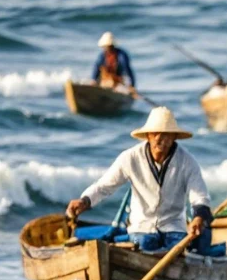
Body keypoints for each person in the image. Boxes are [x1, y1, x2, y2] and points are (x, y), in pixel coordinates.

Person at [65, 107, 213, 256]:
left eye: (165, 134)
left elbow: (199, 197)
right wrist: (85, 201)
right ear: (147, 136)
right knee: (144, 246)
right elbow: (104, 186)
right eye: (155, 133)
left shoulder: (187, 162)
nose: (159, 139)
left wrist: (198, 218)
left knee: (178, 253)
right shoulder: (130, 158)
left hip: (173, 226)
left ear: (174, 137)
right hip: (142, 227)